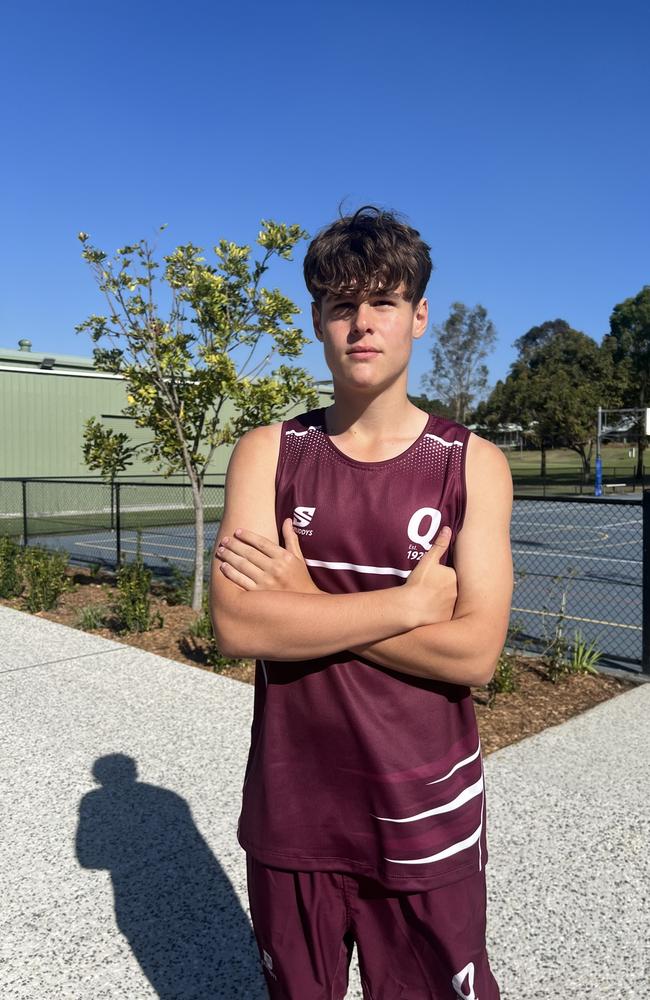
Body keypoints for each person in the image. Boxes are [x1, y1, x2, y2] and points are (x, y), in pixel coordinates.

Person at [210, 206, 513, 1000]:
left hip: (427, 816)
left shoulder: (471, 464)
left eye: (382, 302)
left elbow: (475, 652)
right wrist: (408, 606)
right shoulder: (269, 453)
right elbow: (240, 623)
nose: (362, 324)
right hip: (294, 815)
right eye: (342, 305)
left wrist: (306, 603)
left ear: (418, 315)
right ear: (317, 319)